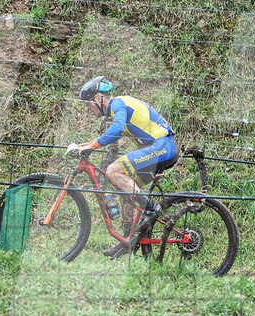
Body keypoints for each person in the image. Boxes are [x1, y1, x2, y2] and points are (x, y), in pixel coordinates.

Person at [67, 76, 177, 258]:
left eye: (88, 103)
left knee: (113, 170)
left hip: (162, 146)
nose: (87, 108)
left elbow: (117, 129)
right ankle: (128, 240)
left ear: (98, 98)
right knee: (126, 190)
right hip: (159, 148)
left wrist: (92, 145)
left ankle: (151, 208)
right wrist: (84, 146)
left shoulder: (118, 104)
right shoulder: (117, 111)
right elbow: (113, 135)